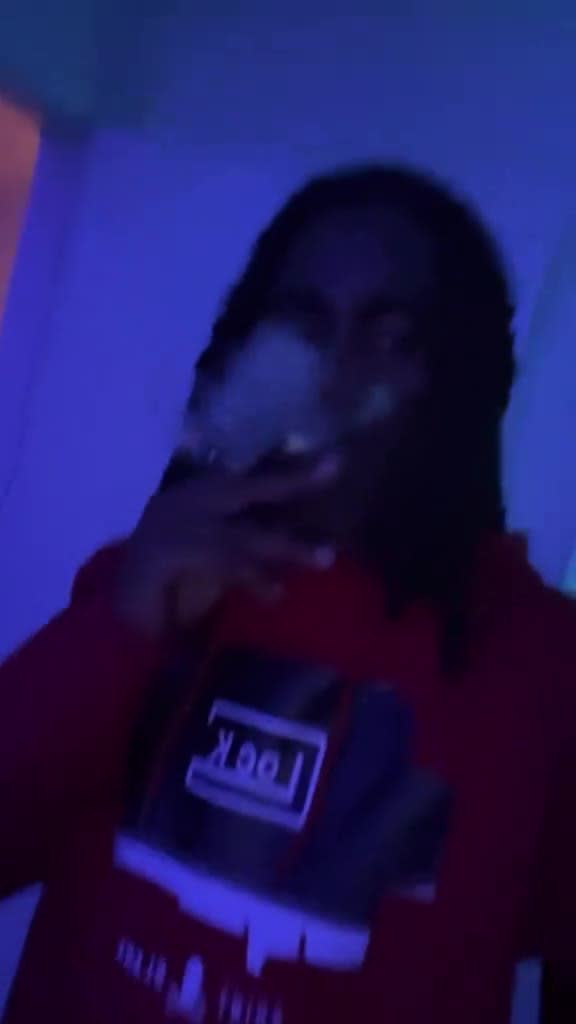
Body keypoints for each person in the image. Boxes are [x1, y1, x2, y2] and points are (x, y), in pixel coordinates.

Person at [0, 165, 574, 1024]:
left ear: (460, 371)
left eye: (393, 337)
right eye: (304, 323)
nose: (338, 371)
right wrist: (116, 629)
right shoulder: (145, 581)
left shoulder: (545, 664)